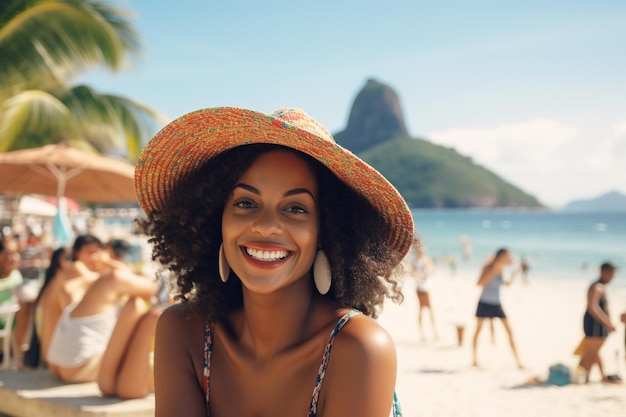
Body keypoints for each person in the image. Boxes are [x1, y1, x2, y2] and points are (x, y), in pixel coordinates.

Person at [135, 107, 415, 417]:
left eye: (295, 208)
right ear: (217, 220)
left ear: (326, 230)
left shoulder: (357, 348)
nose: (266, 225)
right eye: (246, 203)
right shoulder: (184, 332)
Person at [40, 234, 163, 399]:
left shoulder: (79, 277)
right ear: (77, 254)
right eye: (90, 252)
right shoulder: (87, 272)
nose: (95, 257)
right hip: (78, 363)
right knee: (135, 302)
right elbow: (146, 288)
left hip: (60, 360)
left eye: (99, 251)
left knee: (133, 301)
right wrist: (109, 263)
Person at [471, 247, 523, 369]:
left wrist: (514, 275)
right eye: (508, 256)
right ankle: (474, 360)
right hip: (484, 302)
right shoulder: (490, 267)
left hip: (497, 303)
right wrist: (492, 271)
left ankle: (518, 362)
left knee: (510, 331)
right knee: (478, 331)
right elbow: (479, 283)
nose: (510, 258)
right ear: (501, 257)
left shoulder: (501, 269)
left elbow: (506, 284)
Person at [578, 261, 620, 384]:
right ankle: (585, 378)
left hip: (594, 322)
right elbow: (593, 306)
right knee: (590, 352)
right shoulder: (597, 287)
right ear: (604, 272)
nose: (613, 277)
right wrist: (607, 322)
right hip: (595, 323)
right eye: (611, 274)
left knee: (594, 350)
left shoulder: (599, 285)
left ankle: (602, 376)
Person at [410, 243, 438, 341]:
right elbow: (411, 274)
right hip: (419, 288)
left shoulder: (427, 260)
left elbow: (432, 272)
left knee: (430, 311)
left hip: (427, 288)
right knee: (421, 310)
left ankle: (435, 333)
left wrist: (427, 269)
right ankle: (422, 334)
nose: (420, 251)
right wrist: (416, 273)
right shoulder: (414, 261)